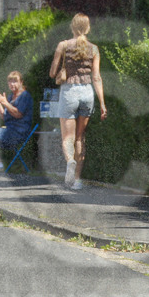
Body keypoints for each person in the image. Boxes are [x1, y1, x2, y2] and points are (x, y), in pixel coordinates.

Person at [48, 13, 106, 189]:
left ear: (72, 27)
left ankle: (70, 162)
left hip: (69, 92)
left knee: (68, 137)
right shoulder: (94, 49)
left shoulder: (63, 46)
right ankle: (78, 180)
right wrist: (102, 104)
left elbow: (52, 73)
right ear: (87, 28)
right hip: (87, 92)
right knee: (80, 138)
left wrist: (61, 70)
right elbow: (96, 77)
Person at [0, 71, 33, 171]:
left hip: (20, 132)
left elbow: (18, 114)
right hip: (10, 130)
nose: (12, 84)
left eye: (15, 81)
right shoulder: (10, 97)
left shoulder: (25, 96)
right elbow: (5, 117)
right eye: (10, 81)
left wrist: (5, 102)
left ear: (21, 82)